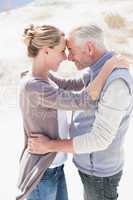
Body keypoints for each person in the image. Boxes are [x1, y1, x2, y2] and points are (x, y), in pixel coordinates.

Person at [28, 25, 133, 200]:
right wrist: (38, 71)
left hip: (100, 175)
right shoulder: (98, 68)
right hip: (91, 169)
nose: (68, 57)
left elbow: (100, 139)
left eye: (70, 50)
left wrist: (50, 145)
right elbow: (71, 85)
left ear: (90, 48)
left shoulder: (116, 82)